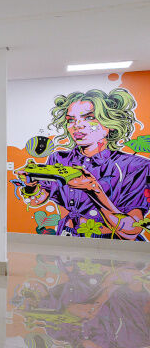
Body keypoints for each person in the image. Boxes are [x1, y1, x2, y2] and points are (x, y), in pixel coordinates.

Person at [17, 87, 150, 240]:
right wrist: (30, 185)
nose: (77, 125)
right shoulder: (59, 159)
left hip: (110, 245)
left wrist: (94, 190)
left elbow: (131, 231)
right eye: (71, 120)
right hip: (66, 239)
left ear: (110, 123)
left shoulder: (135, 166)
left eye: (89, 117)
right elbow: (36, 201)